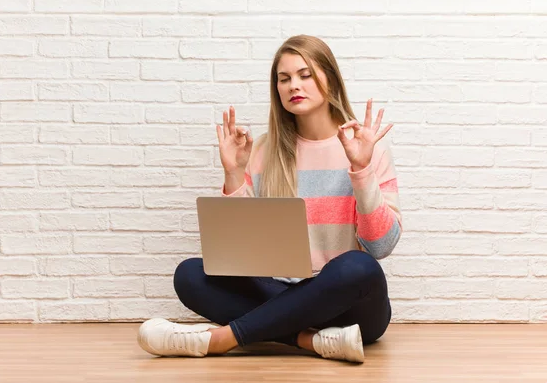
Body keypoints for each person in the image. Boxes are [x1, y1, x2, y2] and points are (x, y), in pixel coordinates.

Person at [137, 35, 402, 363]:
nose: (294, 85)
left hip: (350, 307)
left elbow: (381, 246)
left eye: (305, 75)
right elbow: (238, 255)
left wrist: (361, 169)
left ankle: (221, 339)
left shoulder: (366, 147)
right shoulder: (263, 151)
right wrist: (234, 174)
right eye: (284, 78)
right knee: (189, 274)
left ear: (330, 80)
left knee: (360, 267)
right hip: (281, 296)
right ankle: (309, 340)